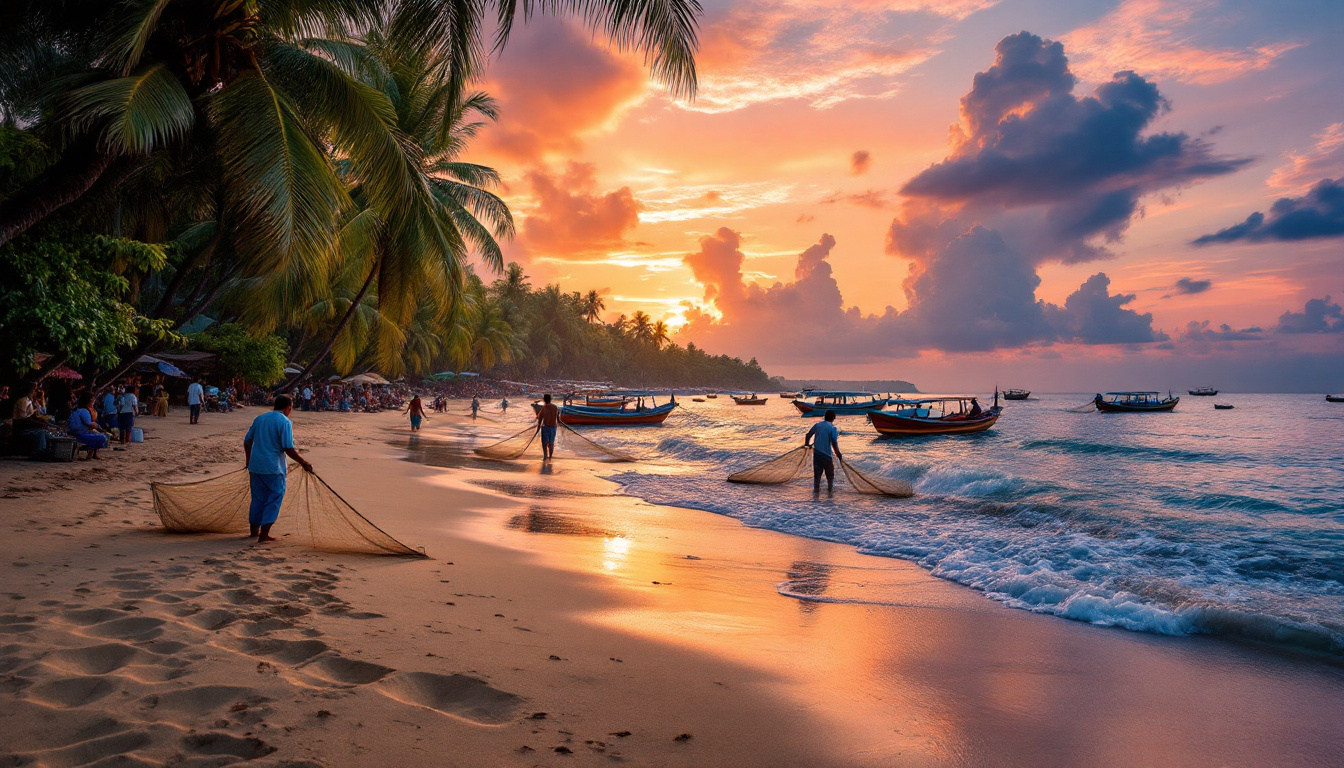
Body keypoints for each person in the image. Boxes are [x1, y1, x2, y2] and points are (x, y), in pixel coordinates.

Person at [243, 395, 313, 543]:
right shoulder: (284, 422)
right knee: (274, 498)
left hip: (256, 466)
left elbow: (247, 441)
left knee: (257, 499)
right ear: (288, 407)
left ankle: (254, 532)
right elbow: (288, 447)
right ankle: (264, 535)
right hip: (273, 468)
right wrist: (303, 462)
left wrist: (248, 460)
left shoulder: (260, 418)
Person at [804, 409, 842, 494]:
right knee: (830, 476)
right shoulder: (832, 428)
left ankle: (816, 493)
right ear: (833, 418)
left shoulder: (818, 425)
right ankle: (830, 493)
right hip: (827, 456)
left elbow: (808, 435)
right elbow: (834, 442)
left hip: (817, 454)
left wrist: (807, 445)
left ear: (825, 417)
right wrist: (838, 453)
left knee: (817, 476)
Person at [67, 393, 109, 459]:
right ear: (88, 402)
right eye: (92, 401)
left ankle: (92, 453)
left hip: (73, 432)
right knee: (103, 437)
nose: (93, 403)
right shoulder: (84, 411)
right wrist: (98, 426)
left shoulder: (76, 409)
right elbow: (89, 423)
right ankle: (91, 453)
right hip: (79, 434)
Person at [537, 394, 560, 460]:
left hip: (546, 428)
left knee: (544, 443)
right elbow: (557, 418)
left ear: (544, 400)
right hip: (553, 428)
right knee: (551, 443)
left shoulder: (545, 407)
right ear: (550, 399)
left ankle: (545, 456)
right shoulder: (555, 407)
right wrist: (559, 422)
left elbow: (540, 418)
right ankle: (550, 457)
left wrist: (538, 428)